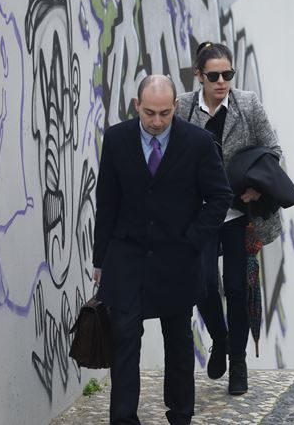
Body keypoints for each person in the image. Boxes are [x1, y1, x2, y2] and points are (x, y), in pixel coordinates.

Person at [93, 75, 233, 424]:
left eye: (165, 114)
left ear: (175, 108)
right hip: (127, 255)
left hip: (177, 257)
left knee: (179, 338)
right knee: (124, 335)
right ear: (137, 106)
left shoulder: (198, 142)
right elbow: (106, 202)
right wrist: (100, 260)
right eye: (150, 113)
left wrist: (194, 239)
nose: (157, 122)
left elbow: (220, 197)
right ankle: (124, 418)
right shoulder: (117, 139)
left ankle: (180, 414)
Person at [176, 41, 283, 395]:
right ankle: (220, 340)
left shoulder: (247, 104)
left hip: (239, 212)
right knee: (203, 283)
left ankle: (238, 362)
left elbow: (273, 150)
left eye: (228, 74)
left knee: (236, 287)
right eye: (214, 75)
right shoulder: (184, 109)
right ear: (199, 75)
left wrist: (255, 191)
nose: (222, 81)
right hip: (201, 215)